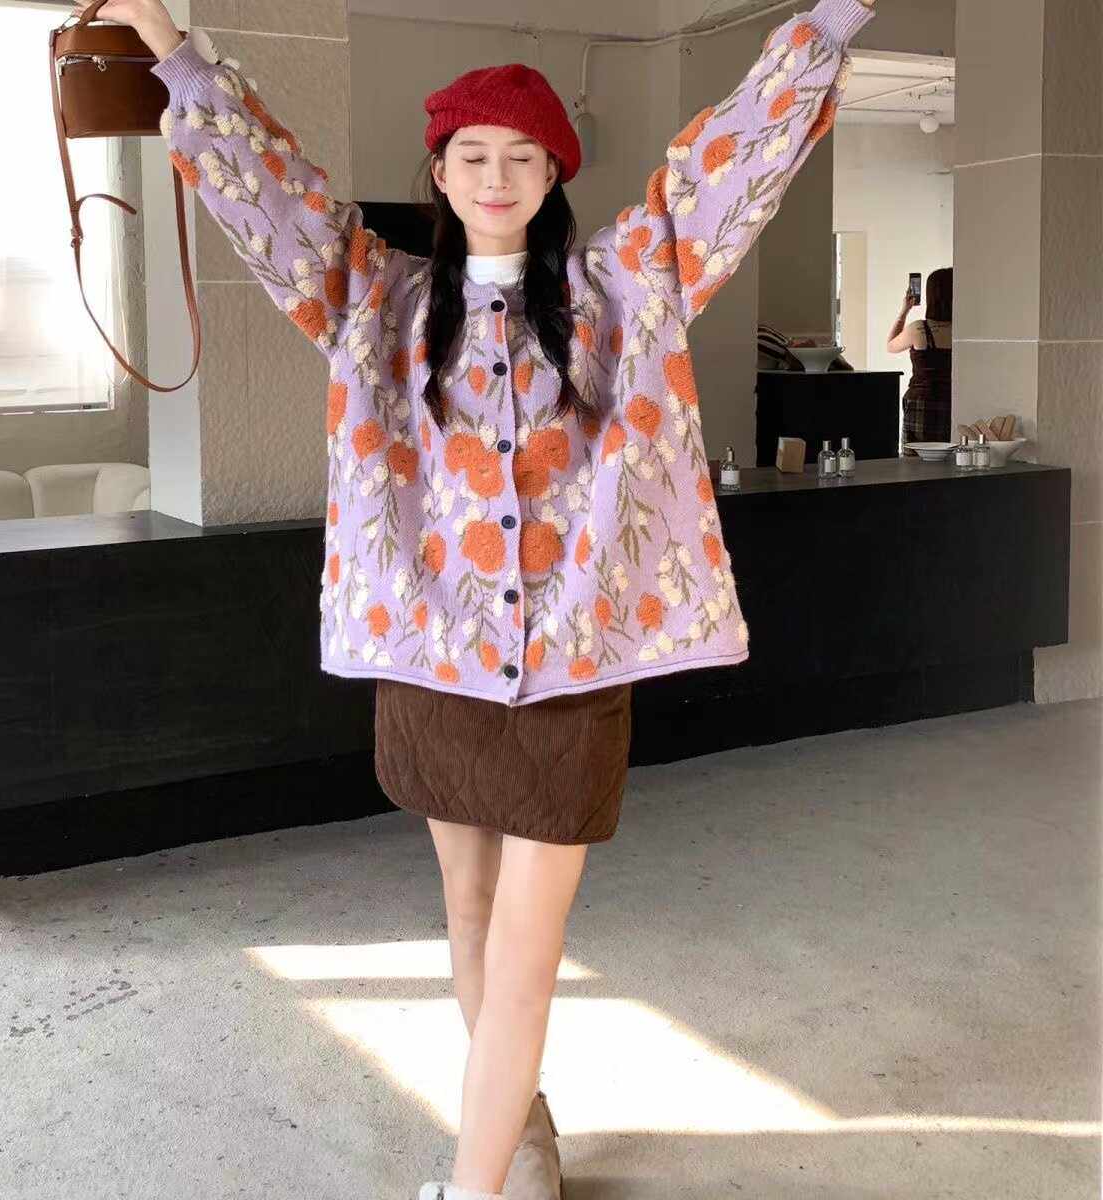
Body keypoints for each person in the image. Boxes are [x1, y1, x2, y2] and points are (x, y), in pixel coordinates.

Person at [73, 1, 879, 1197]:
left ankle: (476, 1184)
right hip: (434, 661)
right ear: (440, 174)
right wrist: (171, 49)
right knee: (467, 912)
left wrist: (825, 24)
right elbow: (269, 197)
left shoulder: (625, 282)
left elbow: (723, 168)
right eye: (471, 155)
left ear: (553, 176)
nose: (495, 177)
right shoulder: (374, 298)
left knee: (528, 951)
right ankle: (525, 1134)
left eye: (520, 157)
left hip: (571, 671)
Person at [888, 267, 953, 453]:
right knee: (949, 457)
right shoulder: (963, 331)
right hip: (951, 400)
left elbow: (891, 345)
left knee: (915, 462)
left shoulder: (918, 329)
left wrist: (904, 311)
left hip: (920, 403)